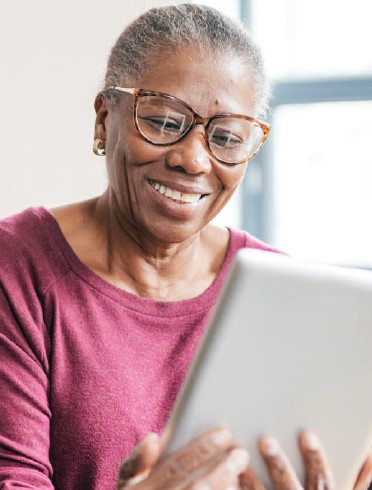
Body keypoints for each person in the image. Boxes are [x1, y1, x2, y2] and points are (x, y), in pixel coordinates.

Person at [0, 4, 371, 489]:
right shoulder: (19, 268)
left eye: (226, 137)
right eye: (162, 120)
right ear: (102, 119)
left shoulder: (280, 295)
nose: (193, 160)